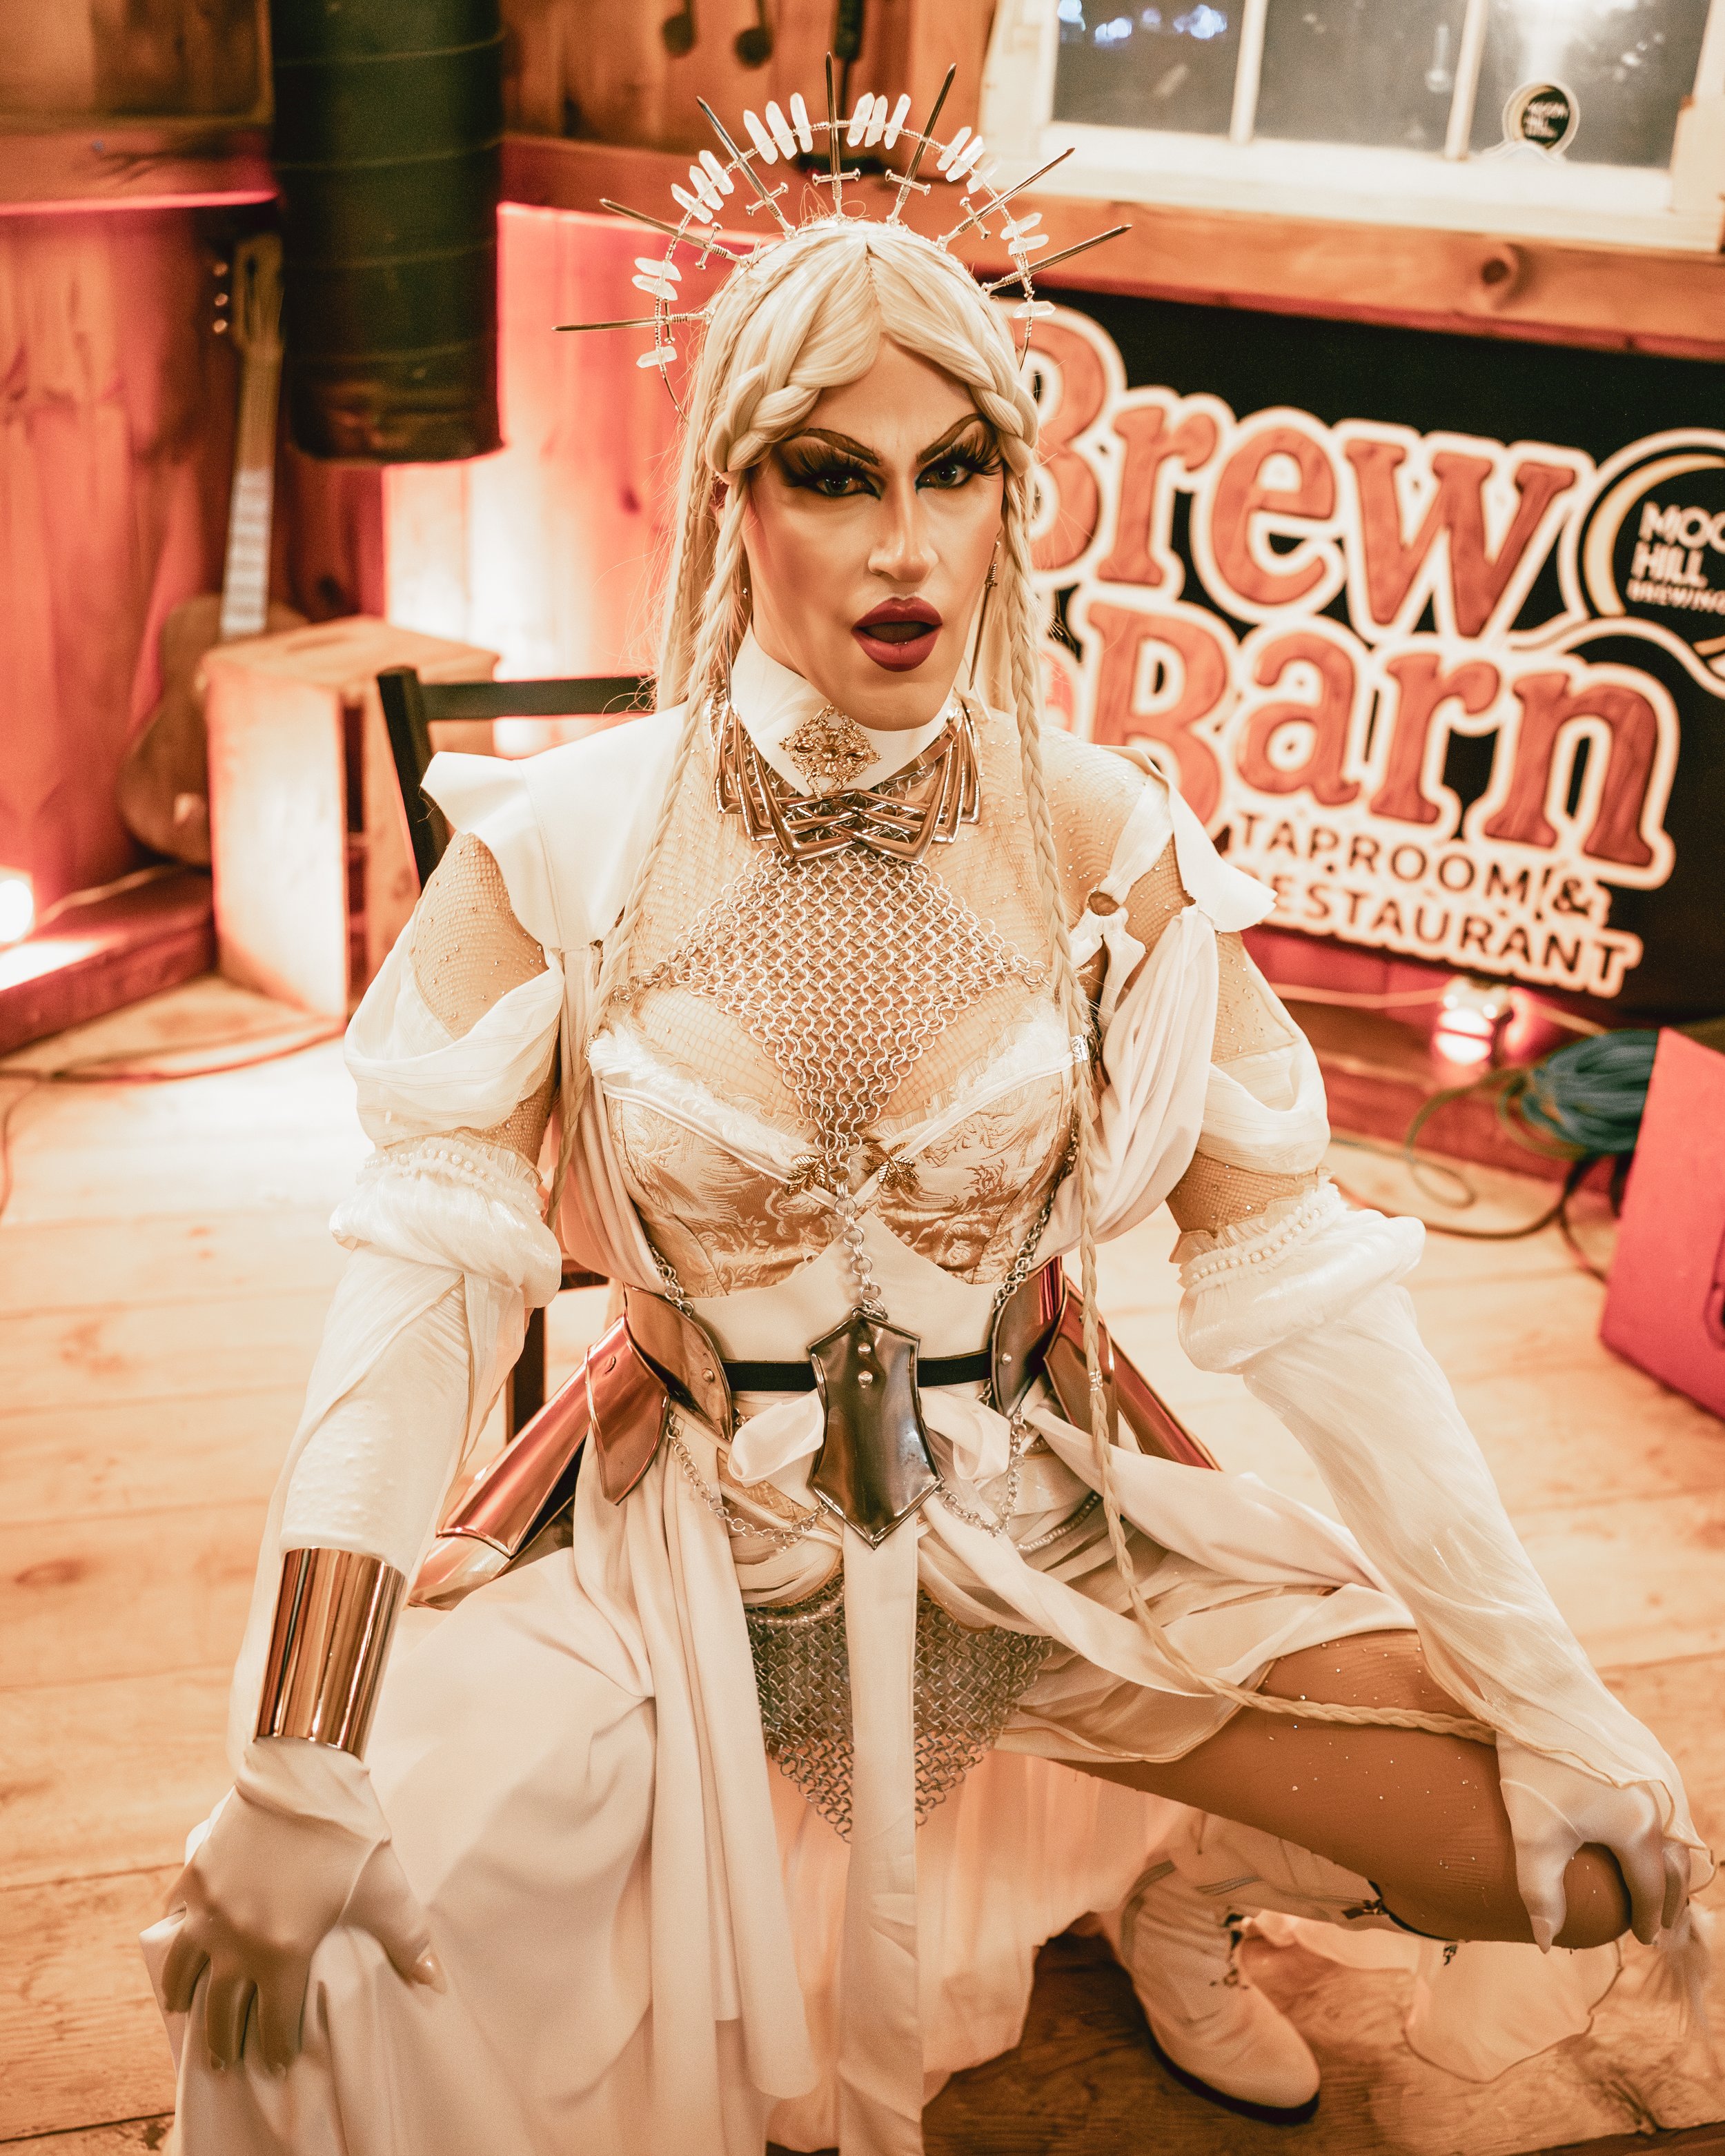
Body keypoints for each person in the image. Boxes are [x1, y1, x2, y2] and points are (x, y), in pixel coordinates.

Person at [146, 192, 1708, 2156]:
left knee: (1586, 1852)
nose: (902, 545)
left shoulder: (1101, 834)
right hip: (700, 1563)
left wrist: (1553, 1688)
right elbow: (407, 1314)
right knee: (322, 1968)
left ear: (1007, 496)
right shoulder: (561, 845)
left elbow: (1302, 1285)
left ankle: (1183, 1882)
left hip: (1042, 1552)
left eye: (951, 468)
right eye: (830, 474)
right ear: (736, 497)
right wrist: (295, 1754)